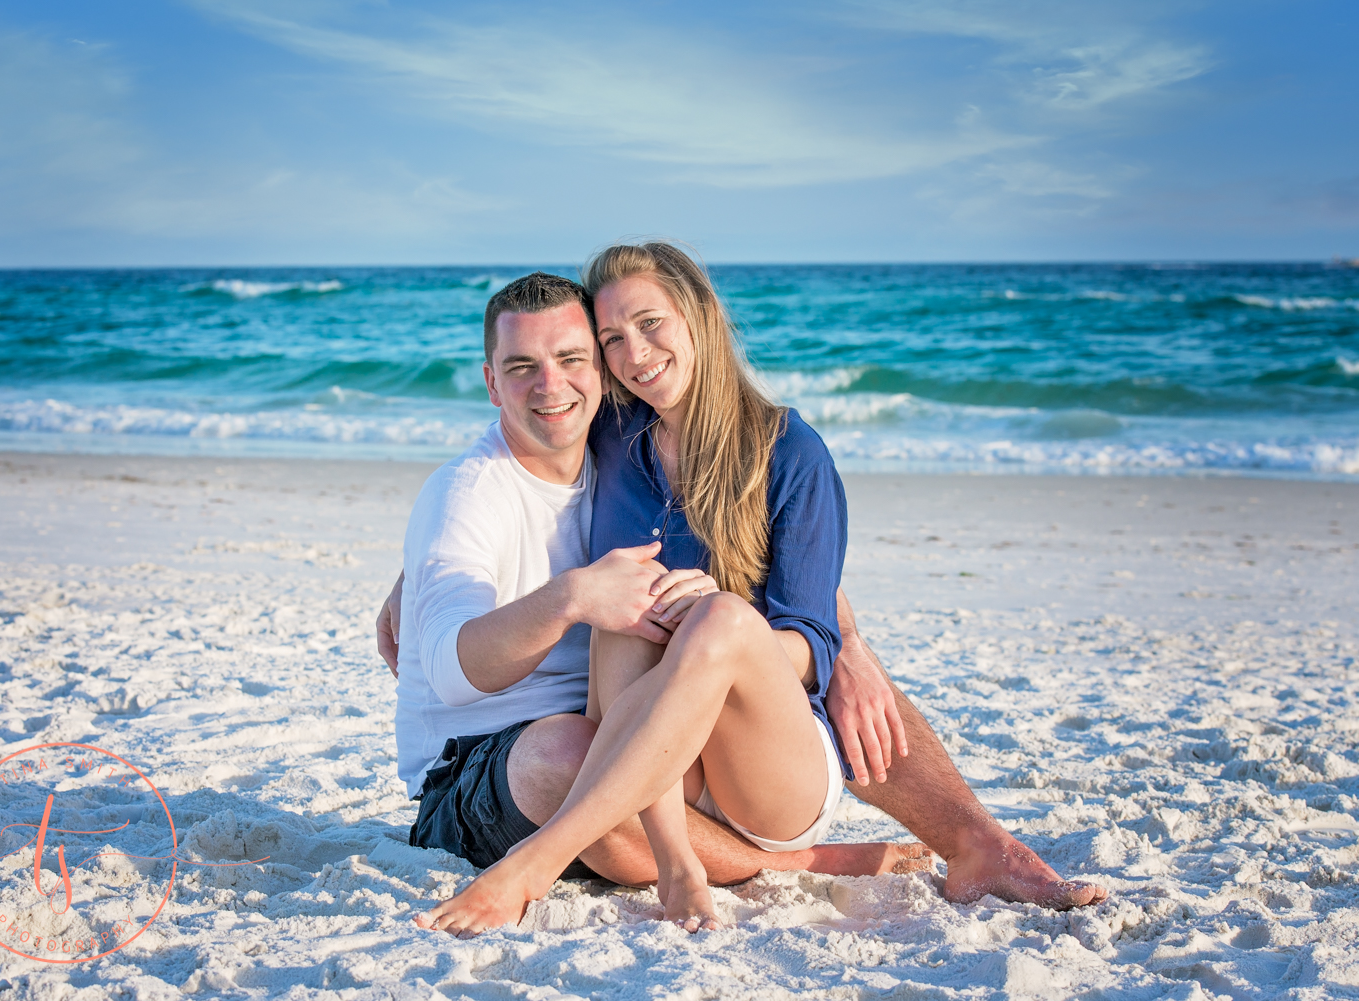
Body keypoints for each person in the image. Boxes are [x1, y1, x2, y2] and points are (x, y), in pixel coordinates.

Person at [405, 244, 1108, 936]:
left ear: (701, 316)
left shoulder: (788, 450)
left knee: (716, 619)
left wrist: (836, 639)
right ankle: (684, 860)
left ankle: (533, 865)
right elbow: (512, 465)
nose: (634, 353)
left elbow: (803, 627)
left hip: (766, 765)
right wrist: (417, 573)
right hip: (666, 764)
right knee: (624, 601)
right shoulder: (616, 436)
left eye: (651, 324)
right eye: (613, 337)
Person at [390, 271, 929, 928]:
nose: (551, 386)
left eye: (573, 359)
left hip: (629, 724)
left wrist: (848, 639)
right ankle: (799, 863)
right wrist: (569, 597)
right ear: (490, 381)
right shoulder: (465, 497)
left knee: (628, 648)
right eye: (522, 366)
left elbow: (773, 547)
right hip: (473, 766)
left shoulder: (622, 445)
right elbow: (448, 669)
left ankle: (698, 850)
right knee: (582, 755)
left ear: (604, 367)